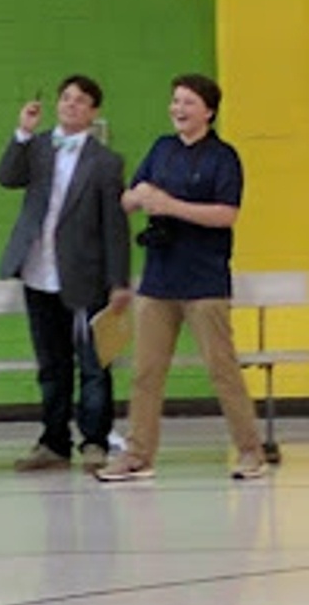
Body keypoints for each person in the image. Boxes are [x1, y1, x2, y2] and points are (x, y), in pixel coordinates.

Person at [97, 74, 266, 481]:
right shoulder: (162, 149)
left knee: (221, 369)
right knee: (146, 371)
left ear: (208, 110)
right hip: (158, 279)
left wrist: (170, 205)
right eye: (175, 101)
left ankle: (250, 451)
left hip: (204, 281)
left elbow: (226, 214)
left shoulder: (223, 157)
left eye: (188, 102)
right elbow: (130, 197)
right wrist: (140, 199)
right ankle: (138, 454)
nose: (178, 109)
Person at [0, 75, 132, 474]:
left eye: (81, 100)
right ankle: (53, 441)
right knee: (51, 363)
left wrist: (119, 281)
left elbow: (114, 226)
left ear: (93, 112)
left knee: (93, 361)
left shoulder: (106, 162)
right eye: (66, 98)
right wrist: (22, 131)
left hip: (83, 274)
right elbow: (6, 177)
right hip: (38, 270)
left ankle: (94, 439)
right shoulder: (36, 148)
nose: (71, 105)